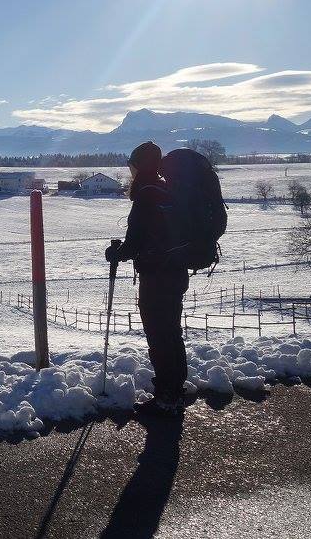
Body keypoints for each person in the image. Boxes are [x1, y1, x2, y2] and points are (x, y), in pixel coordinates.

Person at [106, 141, 188, 417]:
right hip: (176, 272)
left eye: (133, 166)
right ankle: (175, 389)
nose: (131, 172)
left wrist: (117, 252)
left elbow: (136, 241)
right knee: (171, 332)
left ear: (140, 167)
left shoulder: (146, 195)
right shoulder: (167, 190)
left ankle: (167, 395)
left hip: (157, 276)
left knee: (159, 334)